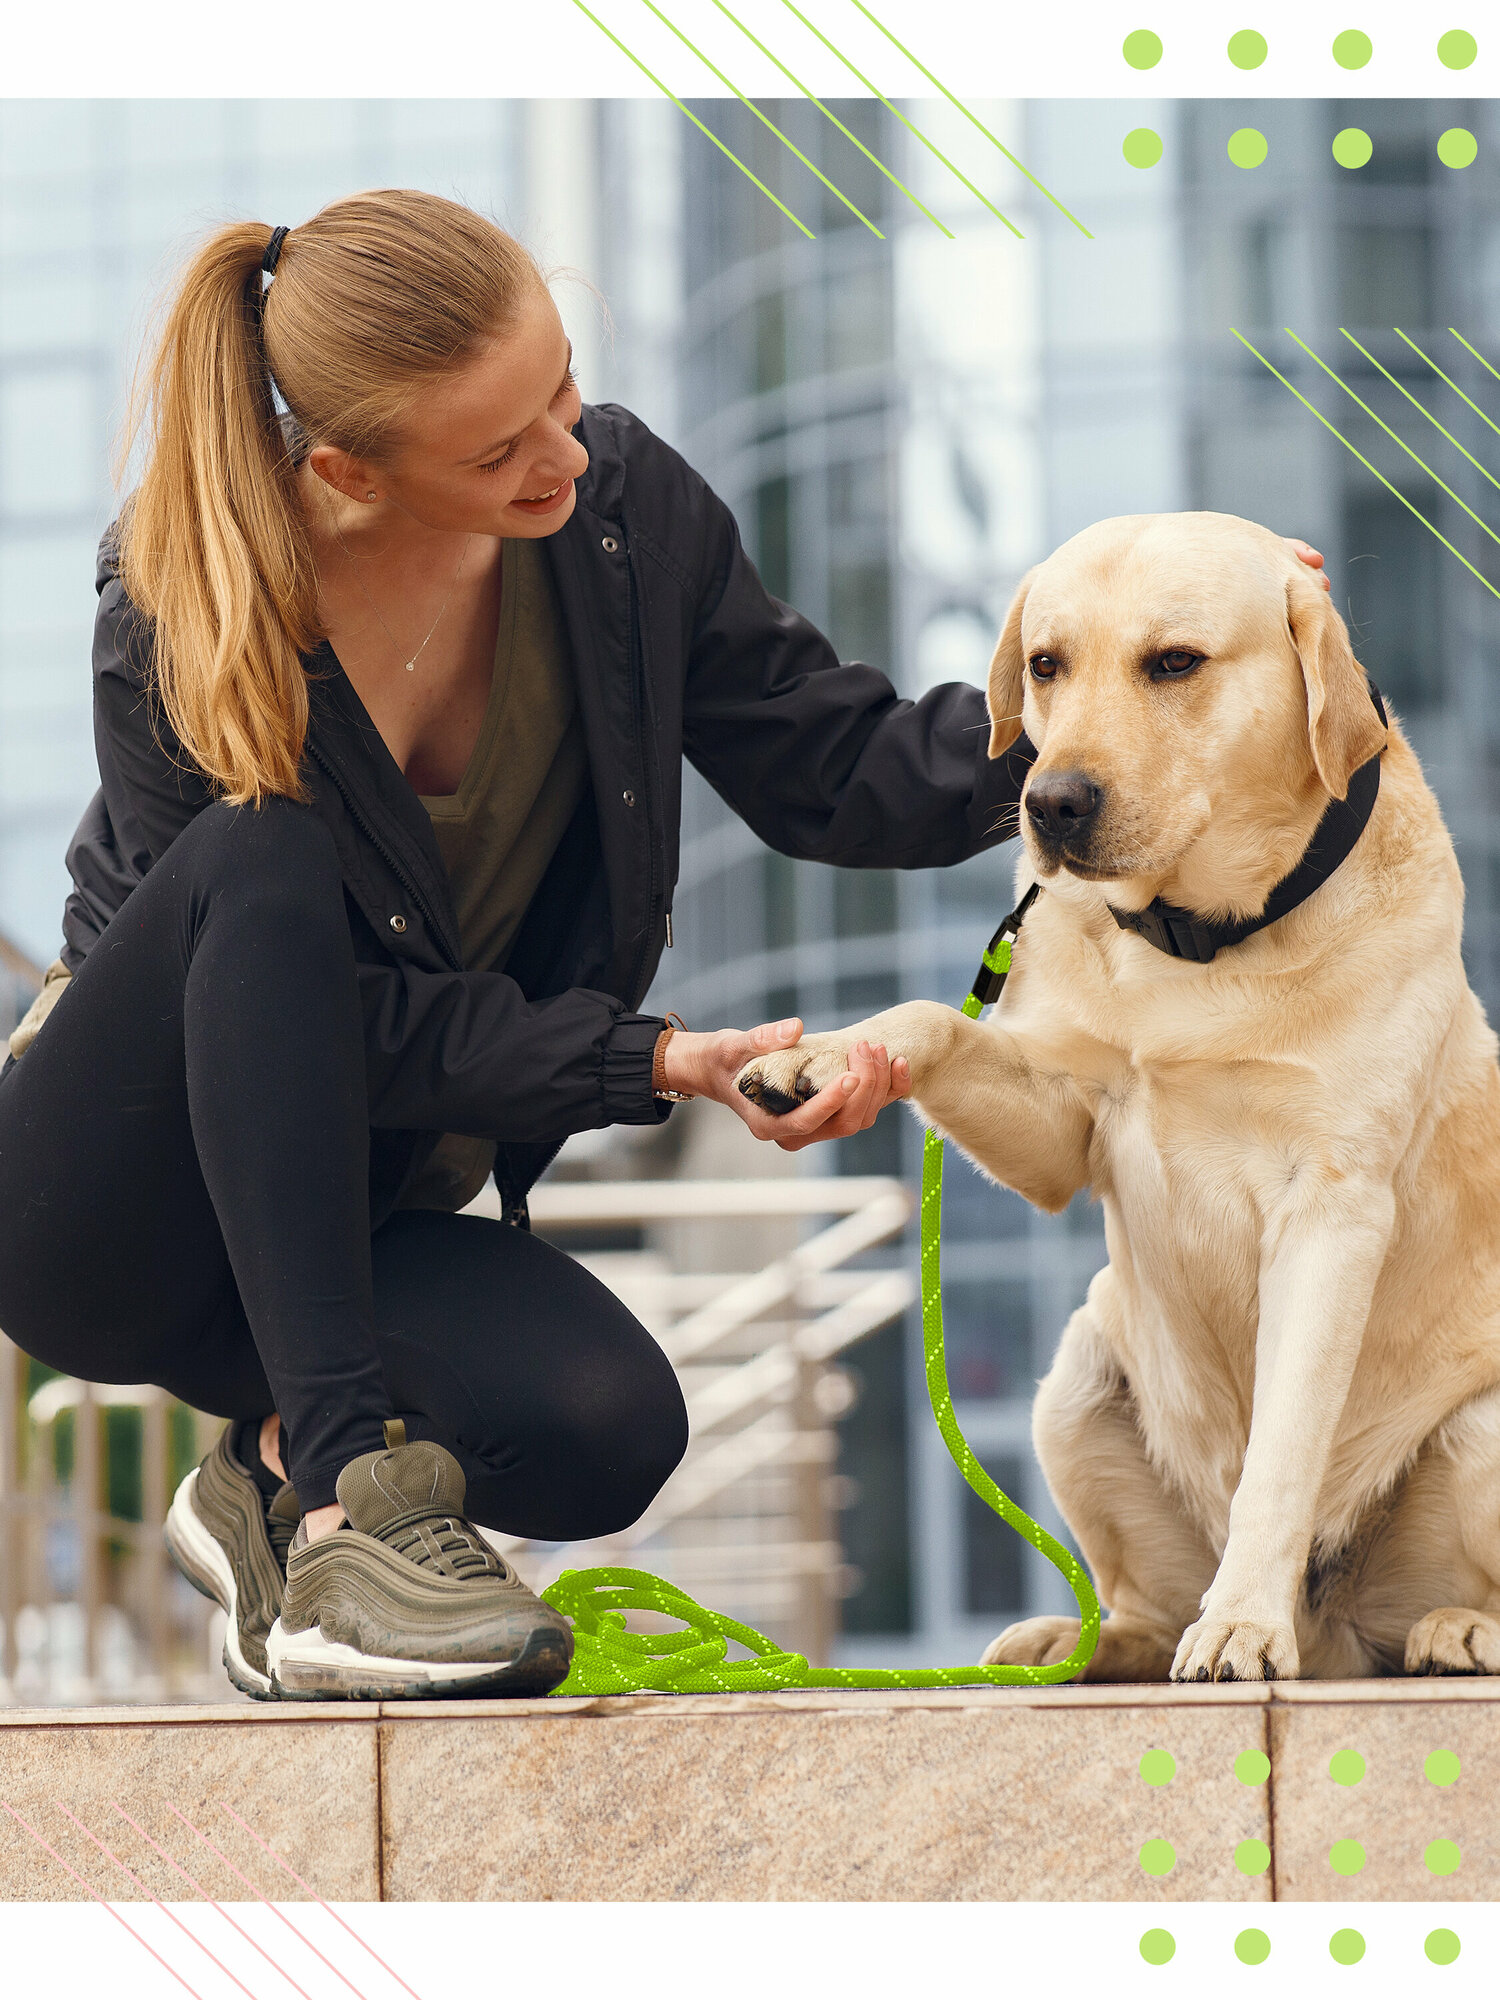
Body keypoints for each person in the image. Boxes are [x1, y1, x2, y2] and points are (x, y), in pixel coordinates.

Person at [0, 189, 1331, 1701]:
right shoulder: (183, 605)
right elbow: (314, 1008)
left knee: (604, 1425)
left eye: (560, 386)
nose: (563, 451)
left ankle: (266, 1476)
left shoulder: (619, 520)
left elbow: (836, 761)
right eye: (499, 451)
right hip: (120, 1202)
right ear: (349, 471)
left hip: (362, 1204)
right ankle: (341, 1522)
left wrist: (1141, 700)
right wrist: (649, 1059)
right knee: (261, 853)